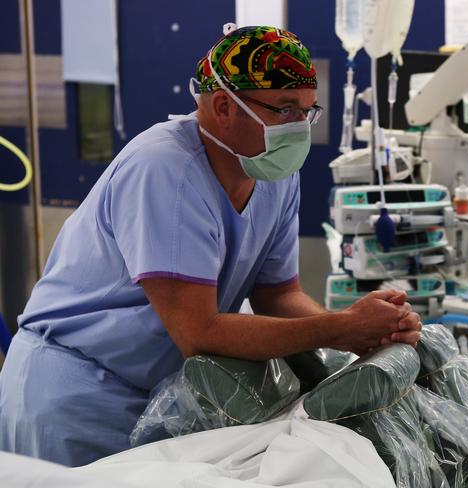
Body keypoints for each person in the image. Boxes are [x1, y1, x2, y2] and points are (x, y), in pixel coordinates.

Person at [0, 25, 421, 467]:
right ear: (224, 105)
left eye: (307, 110)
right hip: (73, 396)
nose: (298, 126)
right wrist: (339, 328)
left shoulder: (272, 174)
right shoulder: (166, 171)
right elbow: (199, 332)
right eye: (284, 110)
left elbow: (278, 294)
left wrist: (366, 332)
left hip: (152, 396)